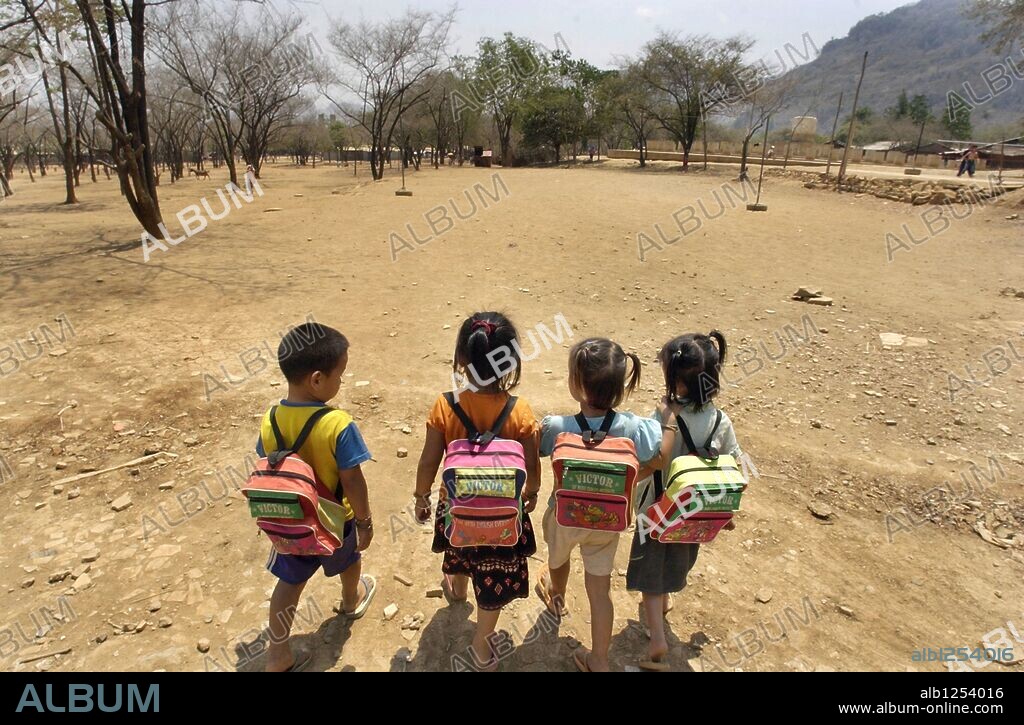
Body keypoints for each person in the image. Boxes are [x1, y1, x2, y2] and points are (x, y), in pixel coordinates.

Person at [413, 312, 542, 671]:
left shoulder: (445, 405)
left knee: (459, 547)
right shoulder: (520, 412)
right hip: (502, 517)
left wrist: (421, 496)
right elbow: (532, 466)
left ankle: (455, 587)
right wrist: (531, 492)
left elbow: (428, 461)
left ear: (461, 360)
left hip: (456, 507)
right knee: (494, 573)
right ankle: (482, 646)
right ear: (511, 362)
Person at [536, 338, 663, 672]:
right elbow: (658, 456)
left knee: (558, 561)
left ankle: (557, 598)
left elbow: (538, 449)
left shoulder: (557, 427)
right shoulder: (634, 428)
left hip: (564, 516)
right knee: (599, 591)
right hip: (608, 522)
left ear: (576, 385)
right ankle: (600, 660)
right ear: (620, 389)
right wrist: (632, 477)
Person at [256, 323, 376, 672]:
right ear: (318, 379)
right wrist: (365, 523)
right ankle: (350, 599)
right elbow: (352, 480)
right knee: (350, 561)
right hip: (335, 520)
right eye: (341, 374)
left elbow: (267, 460)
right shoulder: (338, 424)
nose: (342, 381)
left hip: (291, 520)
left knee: (289, 582)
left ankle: (277, 654)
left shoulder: (271, 418)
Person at [628, 331, 744, 671]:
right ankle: (663, 605)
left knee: (650, 570)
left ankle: (657, 637)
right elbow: (734, 467)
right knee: (678, 557)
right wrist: (726, 510)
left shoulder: (664, 416)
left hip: (656, 509)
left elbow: (649, 459)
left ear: (676, 381)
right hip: (695, 514)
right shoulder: (721, 420)